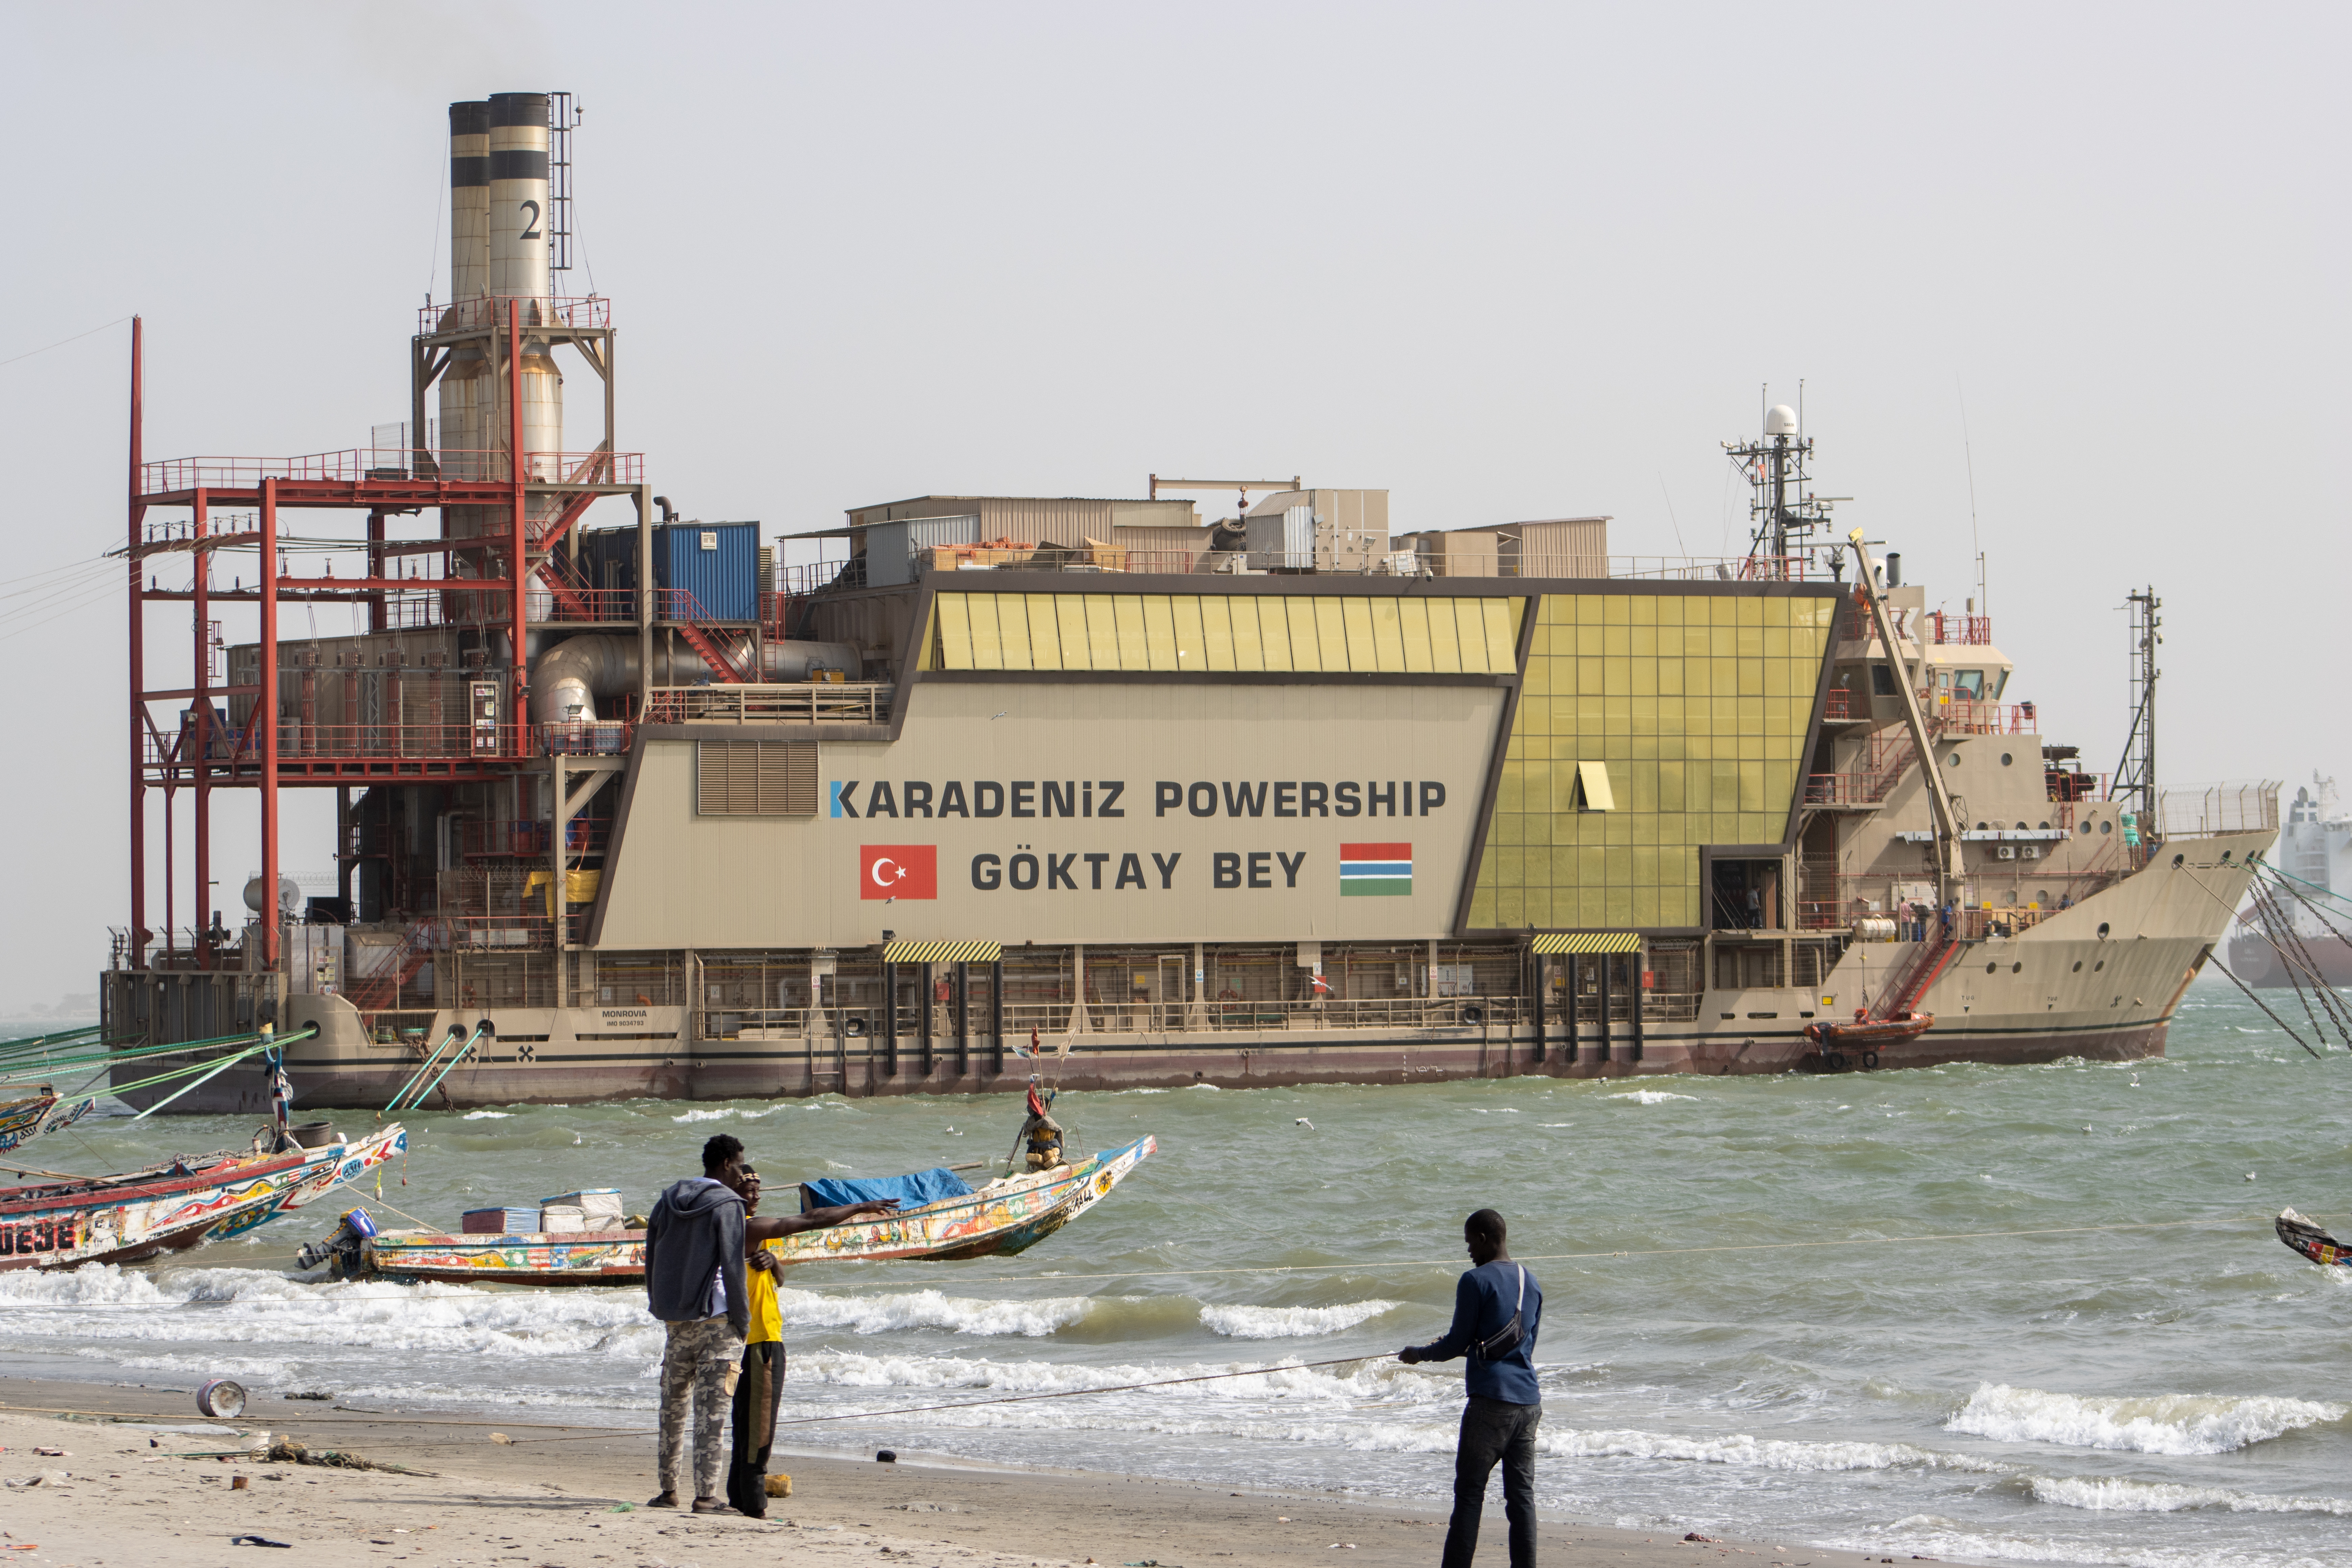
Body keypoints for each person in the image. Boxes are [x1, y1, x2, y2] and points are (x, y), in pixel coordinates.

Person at [727, 1167, 899, 1516]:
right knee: (759, 1427)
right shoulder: (746, 1227)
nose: (756, 1195)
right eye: (748, 1188)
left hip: (743, 1340)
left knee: (745, 1423)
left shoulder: (732, 1231)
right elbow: (811, 1218)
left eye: (759, 1188)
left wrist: (773, 1261)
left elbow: (779, 1279)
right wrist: (860, 1207)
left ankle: (739, 1496)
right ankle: (754, 1504)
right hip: (760, 1341)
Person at [1399, 1209, 1544, 1568]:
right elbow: (1524, 1345)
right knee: (1521, 1498)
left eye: (1469, 1241)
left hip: (1491, 1402)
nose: (1468, 1250)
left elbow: (1455, 1343)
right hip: (1528, 1401)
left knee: (1469, 1495)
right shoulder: (1533, 1281)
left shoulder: (1474, 1280)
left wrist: (1420, 1354)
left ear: (1483, 1237)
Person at [644, 1133, 752, 1513]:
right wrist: (743, 1322)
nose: (743, 1173)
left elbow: (652, 1255)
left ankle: (667, 1490)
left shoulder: (668, 1200)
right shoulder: (728, 1205)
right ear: (726, 1163)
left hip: (676, 1320)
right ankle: (706, 1494)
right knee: (712, 1413)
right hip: (717, 1319)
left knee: (672, 1408)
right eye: (740, 1164)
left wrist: (659, 1304)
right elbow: (734, 1267)